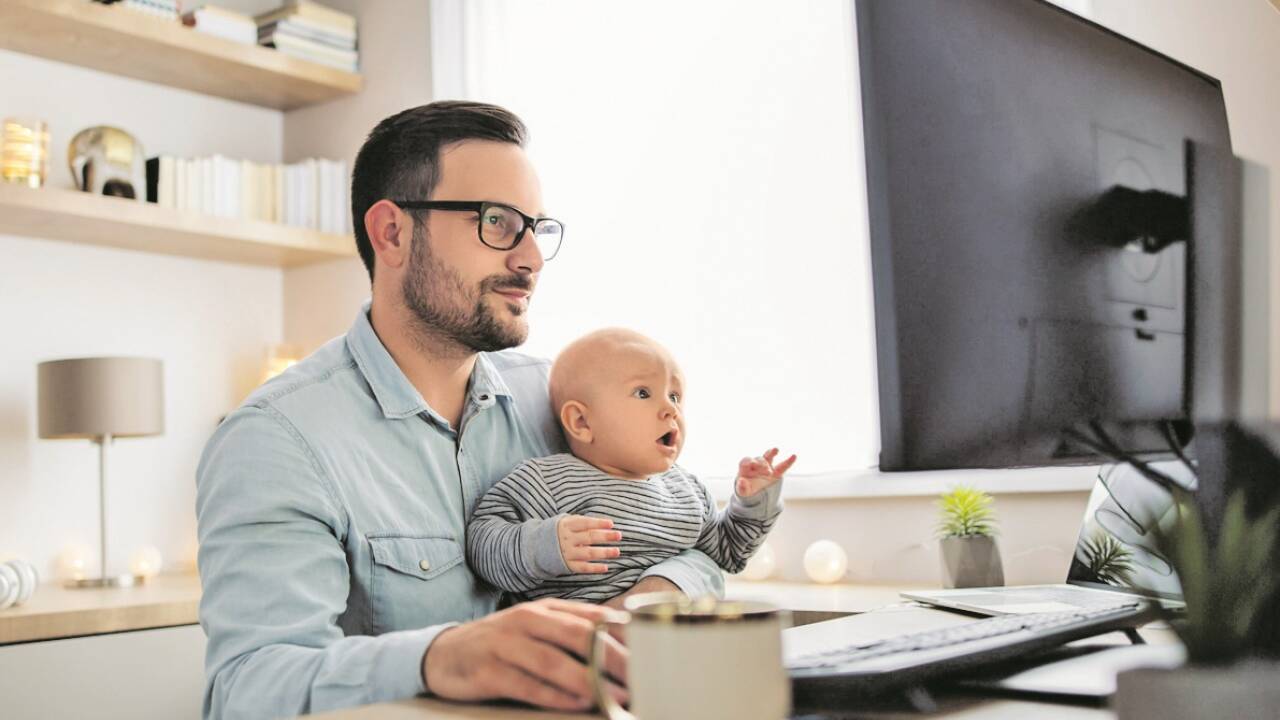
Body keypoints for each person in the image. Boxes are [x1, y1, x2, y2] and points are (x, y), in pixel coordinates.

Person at [195, 101, 723, 720]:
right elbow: (248, 690)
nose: (530, 258)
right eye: (496, 221)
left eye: (535, 227)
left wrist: (641, 602)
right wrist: (441, 658)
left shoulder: (557, 401)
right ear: (392, 232)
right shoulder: (275, 440)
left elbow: (696, 544)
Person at [466, 328, 796, 602]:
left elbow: (729, 553)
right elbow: (482, 543)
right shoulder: (546, 481)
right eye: (642, 393)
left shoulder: (688, 492)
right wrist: (544, 545)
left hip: (664, 646)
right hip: (572, 649)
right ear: (581, 421)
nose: (670, 409)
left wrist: (754, 501)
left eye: (675, 396)